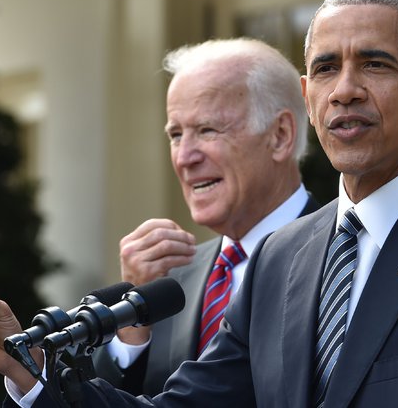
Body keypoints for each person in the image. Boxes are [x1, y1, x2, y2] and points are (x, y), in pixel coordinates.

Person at [0, 0, 398, 408]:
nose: (344, 90)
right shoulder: (278, 259)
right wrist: (26, 367)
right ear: (307, 95)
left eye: (374, 64)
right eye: (324, 68)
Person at [92, 38, 320, 395]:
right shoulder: (166, 281)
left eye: (207, 130)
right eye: (176, 135)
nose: (184, 157)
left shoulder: (345, 256)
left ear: (280, 136)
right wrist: (133, 323)